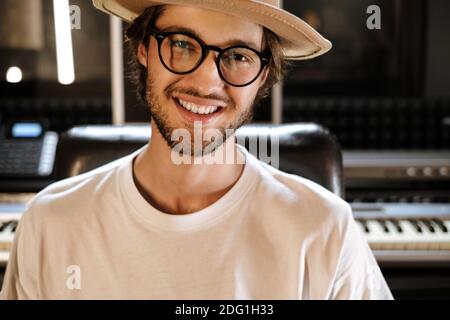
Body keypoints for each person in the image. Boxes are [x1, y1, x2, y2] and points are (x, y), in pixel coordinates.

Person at [0, 0, 392, 299]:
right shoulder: (50, 225)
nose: (206, 82)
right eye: (183, 44)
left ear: (264, 75)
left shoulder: (326, 231)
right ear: (142, 49)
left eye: (238, 56)